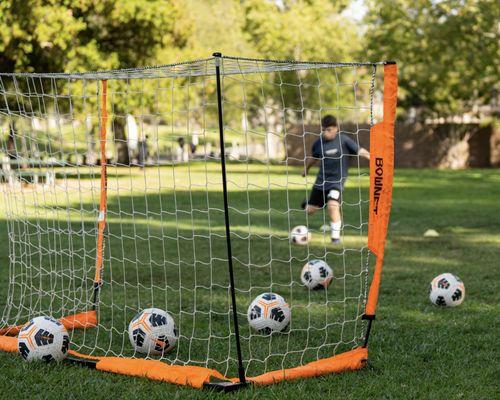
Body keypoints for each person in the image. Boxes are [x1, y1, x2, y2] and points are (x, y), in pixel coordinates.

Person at [302, 115, 370, 244]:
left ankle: (335, 238)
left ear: (336, 128)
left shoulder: (344, 140)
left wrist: (372, 158)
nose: (326, 133)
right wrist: (306, 169)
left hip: (336, 182)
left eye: (329, 130)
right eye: (324, 130)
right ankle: (307, 203)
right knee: (309, 211)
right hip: (321, 181)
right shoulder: (318, 143)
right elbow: (314, 158)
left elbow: (360, 150)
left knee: (333, 206)